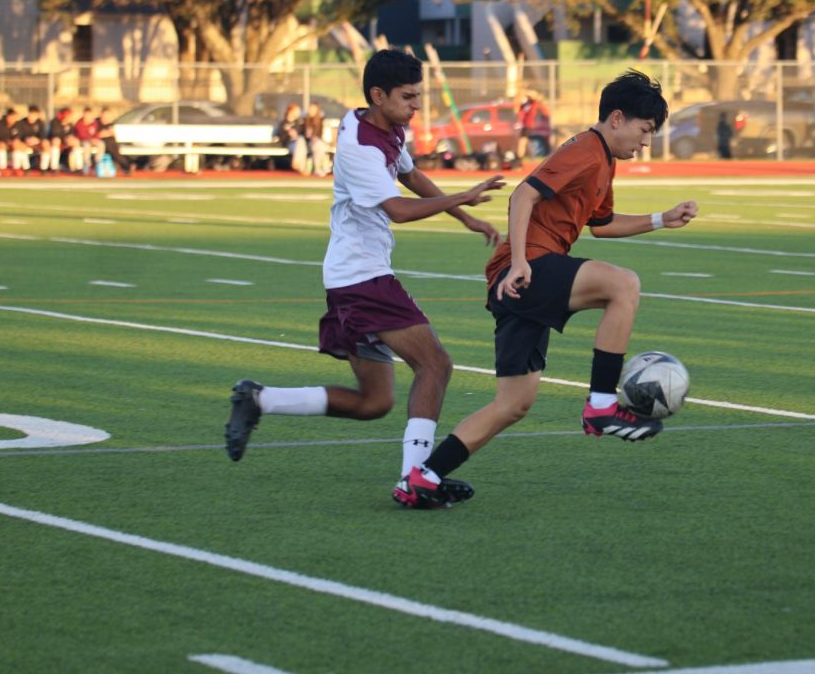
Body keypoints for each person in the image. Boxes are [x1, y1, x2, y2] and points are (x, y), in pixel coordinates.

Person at [394, 71, 699, 509]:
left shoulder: (603, 161)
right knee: (624, 285)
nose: (645, 142)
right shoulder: (586, 150)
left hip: (522, 277)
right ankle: (599, 405)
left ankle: (422, 478)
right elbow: (522, 197)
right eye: (644, 130)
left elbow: (603, 225)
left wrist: (660, 219)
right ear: (617, 118)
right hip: (526, 269)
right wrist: (519, 261)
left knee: (513, 403)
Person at [223, 49, 506, 503]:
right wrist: (465, 196)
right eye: (409, 97)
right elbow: (398, 209)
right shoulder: (360, 146)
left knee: (374, 403)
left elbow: (410, 176)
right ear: (378, 95)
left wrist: (465, 216)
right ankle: (417, 480)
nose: (417, 106)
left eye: (419, 96)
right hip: (363, 277)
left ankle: (259, 399)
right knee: (436, 365)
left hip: (351, 278)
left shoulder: (382, 124)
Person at [303, 102, 331, 177]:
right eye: (310, 109)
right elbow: (305, 135)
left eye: (313, 109)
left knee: (319, 146)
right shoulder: (305, 120)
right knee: (318, 146)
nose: (311, 111)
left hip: (320, 143)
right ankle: (321, 168)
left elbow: (323, 134)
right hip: (309, 143)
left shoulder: (321, 120)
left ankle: (320, 168)